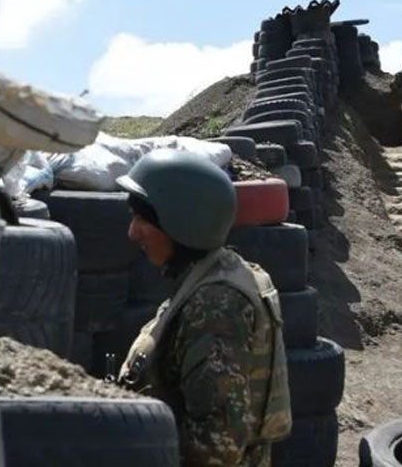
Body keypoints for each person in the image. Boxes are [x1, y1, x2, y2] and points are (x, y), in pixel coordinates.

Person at [115, 149, 291, 467]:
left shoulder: (215, 307)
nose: (132, 232)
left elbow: (216, 447)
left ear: (181, 222)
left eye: (143, 219)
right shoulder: (214, 275)